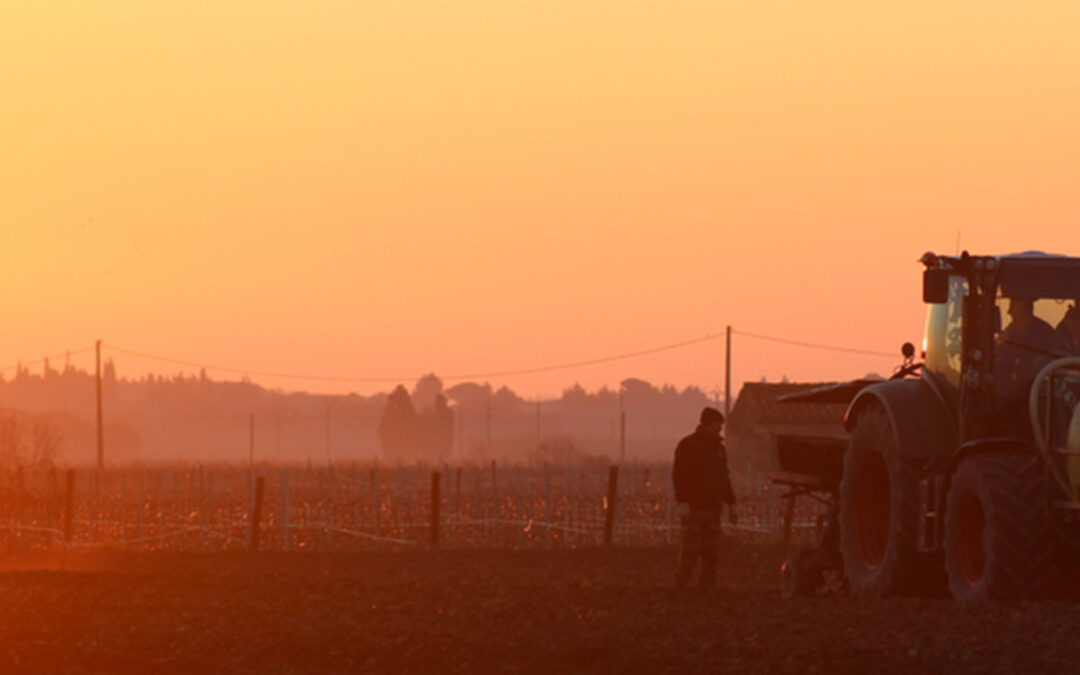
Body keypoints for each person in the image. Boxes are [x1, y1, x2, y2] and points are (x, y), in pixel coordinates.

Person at [672, 407, 737, 588]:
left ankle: (707, 586)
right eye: (718, 425)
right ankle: (682, 583)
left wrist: (732, 503)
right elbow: (679, 475)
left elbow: (724, 477)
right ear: (707, 424)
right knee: (690, 550)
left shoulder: (719, 449)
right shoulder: (687, 446)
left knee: (712, 550)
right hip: (693, 507)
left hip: (713, 507)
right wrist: (682, 501)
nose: (720, 429)